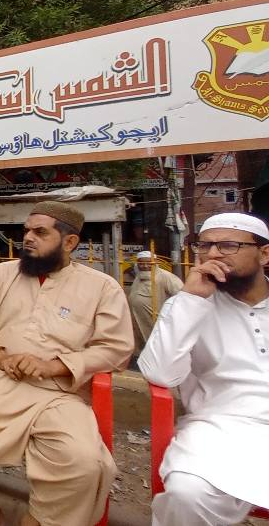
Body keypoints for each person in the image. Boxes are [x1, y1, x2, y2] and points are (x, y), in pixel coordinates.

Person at [0, 201, 134, 526]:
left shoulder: (102, 287)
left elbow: (116, 348)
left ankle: (37, 519)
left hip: (59, 394)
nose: (28, 238)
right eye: (26, 231)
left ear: (70, 242)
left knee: (84, 462)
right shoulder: (3, 274)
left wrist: (57, 365)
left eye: (40, 232)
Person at [138, 212, 269, 525]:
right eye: (204, 245)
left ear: (264, 253)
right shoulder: (187, 304)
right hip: (218, 428)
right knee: (186, 494)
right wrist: (191, 300)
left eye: (228, 245)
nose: (212, 254)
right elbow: (159, 373)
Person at [126, 250, 184, 347]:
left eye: (148, 263)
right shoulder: (139, 276)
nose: (145, 266)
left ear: (155, 263)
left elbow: (181, 296)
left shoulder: (165, 277)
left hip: (156, 321)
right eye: (141, 263)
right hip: (139, 321)